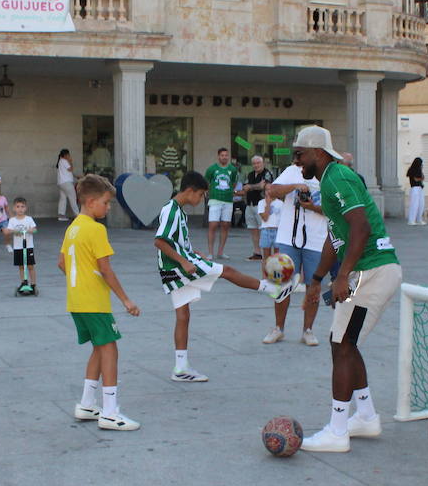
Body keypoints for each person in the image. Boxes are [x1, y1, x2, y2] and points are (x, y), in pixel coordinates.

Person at [293, 126, 403, 452]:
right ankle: (366, 416)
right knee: (344, 343)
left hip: (371, 271)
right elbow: (335, 235)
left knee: (342, 344)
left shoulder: (337, 176)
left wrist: (343, 276)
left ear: (318, 153)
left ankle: (338, 431)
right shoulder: (329, 180)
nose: (296, 161)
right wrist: (316, 279)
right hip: (367, 271)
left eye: (300, 154)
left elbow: (361, 225)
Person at [154, 172, 296, 383]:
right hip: (178, 267)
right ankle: (271, 289)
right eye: (201, 195)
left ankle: (181, 367)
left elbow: (175, 240)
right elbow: (160, 241)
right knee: (227, 271)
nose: (201, 199)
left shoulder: (177, 211)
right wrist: (185, 261)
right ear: (190, 190)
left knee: (183, 314)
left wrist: (194, 252)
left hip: (175, 267)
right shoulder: (171, 211)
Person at [60, 174, 141, 431]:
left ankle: (86, 404)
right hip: (94, 302)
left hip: (76, 301)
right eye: (106, 203)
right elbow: (106, 270)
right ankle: (110, 411)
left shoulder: (72, 227)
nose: (108, 208)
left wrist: (81, 277)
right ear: (92, 201)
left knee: (98, 347)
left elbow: (62, 263)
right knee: (110, 349)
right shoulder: (96, 229)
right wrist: (126, 300)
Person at [262, 154, 329, 346]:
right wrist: (295, 187)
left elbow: (332, 209)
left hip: (316, 240)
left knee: (313, 286)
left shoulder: (325, 176)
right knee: (281, 283)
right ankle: (278, 328)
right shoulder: (292, 172)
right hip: (287, 238)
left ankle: (308, 330)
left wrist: (312, 207)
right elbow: (272, 191)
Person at [204, 147, 239, 259]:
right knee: (213, 225)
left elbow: (233, 183)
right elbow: (206, 182)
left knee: (225, 225)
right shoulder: (212, 169)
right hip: (215, 200)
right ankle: (210, 252)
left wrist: (229, 192)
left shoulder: (232, 169)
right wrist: (210, 192)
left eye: (226, 155)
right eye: (222, 155)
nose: (224, 157)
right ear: (218, 156)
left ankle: (220, 251)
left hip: (228, 201)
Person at [239, 154, 272, 259]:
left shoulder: (267, 173)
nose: (256, 165)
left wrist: (251, 186)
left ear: (263, 163)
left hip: (261, 205)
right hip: (250, 204)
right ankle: (257, 252)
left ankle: (266, 253)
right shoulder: (250, 174)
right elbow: (245, 187)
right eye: (254, 163)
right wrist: (254, 186)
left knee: (263, 230)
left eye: (258, 163)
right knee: (253, 229)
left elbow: (263, 186)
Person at [7, 196, 38, 295]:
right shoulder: (12, 220)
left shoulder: (29, 219)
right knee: (21, 266)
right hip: (18, 247)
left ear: (26, 208)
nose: (20, 209)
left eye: (22, 207)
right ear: (14, 208)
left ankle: (33, 284)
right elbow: (9, 230)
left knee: (30, 265)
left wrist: (30, 230)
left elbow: (34, 229)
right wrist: (14, 231)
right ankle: (23, 282)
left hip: (28, 246)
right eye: (18, 207)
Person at [56, 148, 80, 220]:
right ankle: (77, 215)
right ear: (66, 155)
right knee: (73, 198)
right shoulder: (65, 161)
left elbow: (68, 173)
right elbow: (71, 169)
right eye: (69, 154)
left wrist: (76, 176)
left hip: (61, 183)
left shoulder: (60, 161)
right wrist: (70, 161)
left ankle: (61, 215)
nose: (69, 156)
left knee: (63, 199)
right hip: (67, 183)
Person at [407, 157, 426, 225]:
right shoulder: (412, 170)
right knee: (414, 204)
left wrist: (421, 170)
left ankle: (419, 219)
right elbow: (416, 179)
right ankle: (411, 220)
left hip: (420, 188)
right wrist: (421, 178)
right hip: (414, 188)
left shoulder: (419, 170)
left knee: (421, 204)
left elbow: (423, 178)